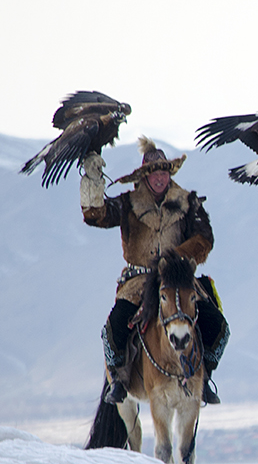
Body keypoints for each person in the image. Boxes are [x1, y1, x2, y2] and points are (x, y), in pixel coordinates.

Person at [80, 138, 228, 405]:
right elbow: (96, 215)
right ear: (145, 176)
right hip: (138, 280)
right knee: (115, 326)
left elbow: (205, 239)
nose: (160, 178)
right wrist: (92, 182)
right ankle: (119, 379)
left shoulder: (188, 202)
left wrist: (175, 258)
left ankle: (203, 377)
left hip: (179, 279)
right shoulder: (128, 204)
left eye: (164, 172)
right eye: (154, 173)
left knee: (218, 326)